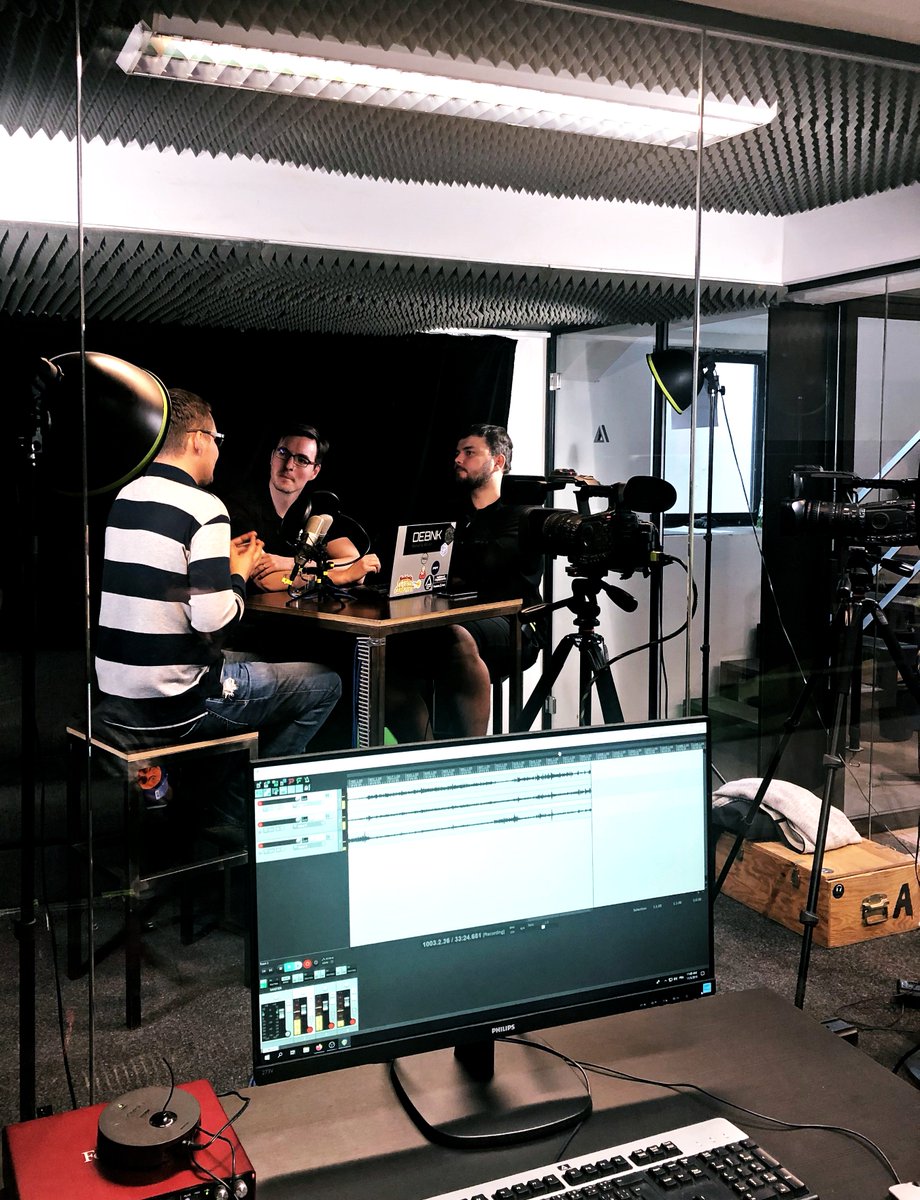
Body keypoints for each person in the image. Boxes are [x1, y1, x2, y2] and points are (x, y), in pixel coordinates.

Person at [94, 390, 343, 797]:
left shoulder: (127, 496)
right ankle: (240, 803)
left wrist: (218, 563)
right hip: (175, 703)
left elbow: (159, 585)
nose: (217, 451)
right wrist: (238, 574)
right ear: (197, 440)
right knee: (326, 684)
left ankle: (215, 791)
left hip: (117, 693)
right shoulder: (204, 507)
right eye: (216, 439)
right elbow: (214, 621)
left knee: (267, 661)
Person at [385, 423, 544, 742]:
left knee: (454, 637)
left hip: (514, 623)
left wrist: (451, 557)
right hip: (449, 617)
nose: (458, 459)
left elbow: (488, 564)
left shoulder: (523, 515)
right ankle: (424, 753)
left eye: (469, 452)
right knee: (385, 653)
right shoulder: (450, 512)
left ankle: (472, 752)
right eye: (457, 452)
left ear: (498, 461)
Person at [222, 423, 380, 592]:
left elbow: (352, 560)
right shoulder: (239, 508)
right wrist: (342, 576)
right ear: (272, 457)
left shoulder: (315, 508)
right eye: (283, 453)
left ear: (315, 472)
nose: (289, 465)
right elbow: (267, 581)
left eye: (302, 460)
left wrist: (289, 563)